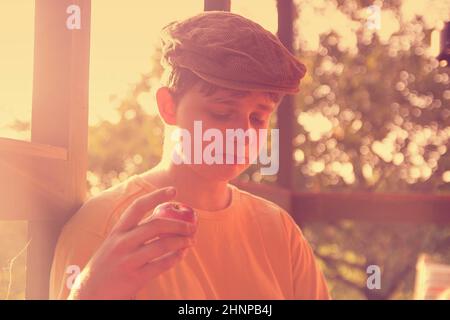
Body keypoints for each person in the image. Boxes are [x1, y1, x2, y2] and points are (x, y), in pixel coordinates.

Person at [49, 11, 330, 300]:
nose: (242, 132)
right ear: (168, 106)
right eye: (221, 113)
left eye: (258, 118)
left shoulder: (279, 231)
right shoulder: (103, 227)